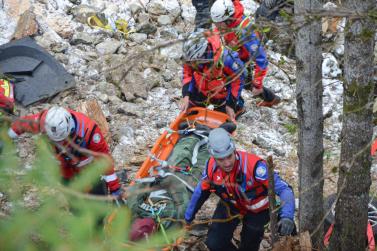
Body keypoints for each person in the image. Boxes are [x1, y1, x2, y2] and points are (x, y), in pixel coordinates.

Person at [184, 128, 295, 251]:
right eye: (221, 159)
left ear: (234, 150)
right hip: (230, 206)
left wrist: (287, 216)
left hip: (258, 211)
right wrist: (187, 219)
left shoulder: (255, 167)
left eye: (229, 156)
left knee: (249, 246)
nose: (227, 163)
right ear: (214, 157)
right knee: (214, 243)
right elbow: (200, 193)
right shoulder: (211, 168)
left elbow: (285, 189)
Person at [7, 106, 121, 196]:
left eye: (62, 140)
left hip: (87, 168)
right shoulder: (44, 123)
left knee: (97, 195)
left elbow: (104, 160)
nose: (60, 144)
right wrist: (5, 138)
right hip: (63, 168)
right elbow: (21, 124)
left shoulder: (89, 132)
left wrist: (115, 188)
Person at [210, 0, 281, 107]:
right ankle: (270, 98)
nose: (216, 26)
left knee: (239, 81)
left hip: (243, 58)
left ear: (227, 20)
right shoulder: (227, 17)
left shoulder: (245, 32)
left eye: (218, 24)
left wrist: (258, 83)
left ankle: (236, 106)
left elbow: (261, 58)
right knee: (245, 83)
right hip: (235, 53)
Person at [181, 31, 246, 123]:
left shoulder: (227, 59)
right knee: (189, 116)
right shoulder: (190, 57)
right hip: (201, 88)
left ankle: (236, 105)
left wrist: (230, 104)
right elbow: (187, 72)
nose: (192, 64)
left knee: (225, 119)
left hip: (221, 92)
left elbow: (239, 78)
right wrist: (186, 94)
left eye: (194, 61)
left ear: (202, 55)